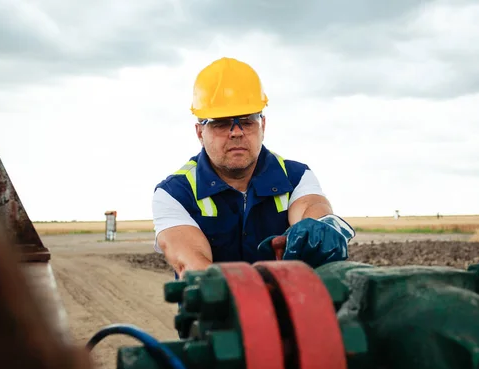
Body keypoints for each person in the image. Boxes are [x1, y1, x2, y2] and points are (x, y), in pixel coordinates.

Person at [152, 57, 355, 278]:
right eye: (221, 123)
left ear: (263, 125)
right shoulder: (174, 194)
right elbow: (192, 265)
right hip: (217, 310)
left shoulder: (296, 177)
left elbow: (312, 208)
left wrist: (319, 227)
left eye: (247, 121)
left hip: (290, 311)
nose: (237, 132)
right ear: (200, 132)